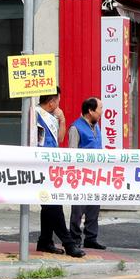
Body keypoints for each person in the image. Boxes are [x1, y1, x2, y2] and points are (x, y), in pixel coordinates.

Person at [35, 88, 86, 257]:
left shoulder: (51, 118)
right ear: (51, 102)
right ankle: (69, 243)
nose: (59, 104)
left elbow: (60, 139)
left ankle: (45, 241)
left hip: (51, 167)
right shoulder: (35, 116)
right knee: (52, 205)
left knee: (48, 205)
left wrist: (62, 120)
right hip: (39, 166)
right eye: (58, 101)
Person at [67, 97, 106, 250]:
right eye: (100, 109)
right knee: (78, 209)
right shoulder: (75, 128)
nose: (102, 112)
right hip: (80, 175)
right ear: (90, 111)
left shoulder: (96, 126)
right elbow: (72, 153)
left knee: (93, 208)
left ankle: (91, 238)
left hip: (96, 175)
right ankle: (75, 239)